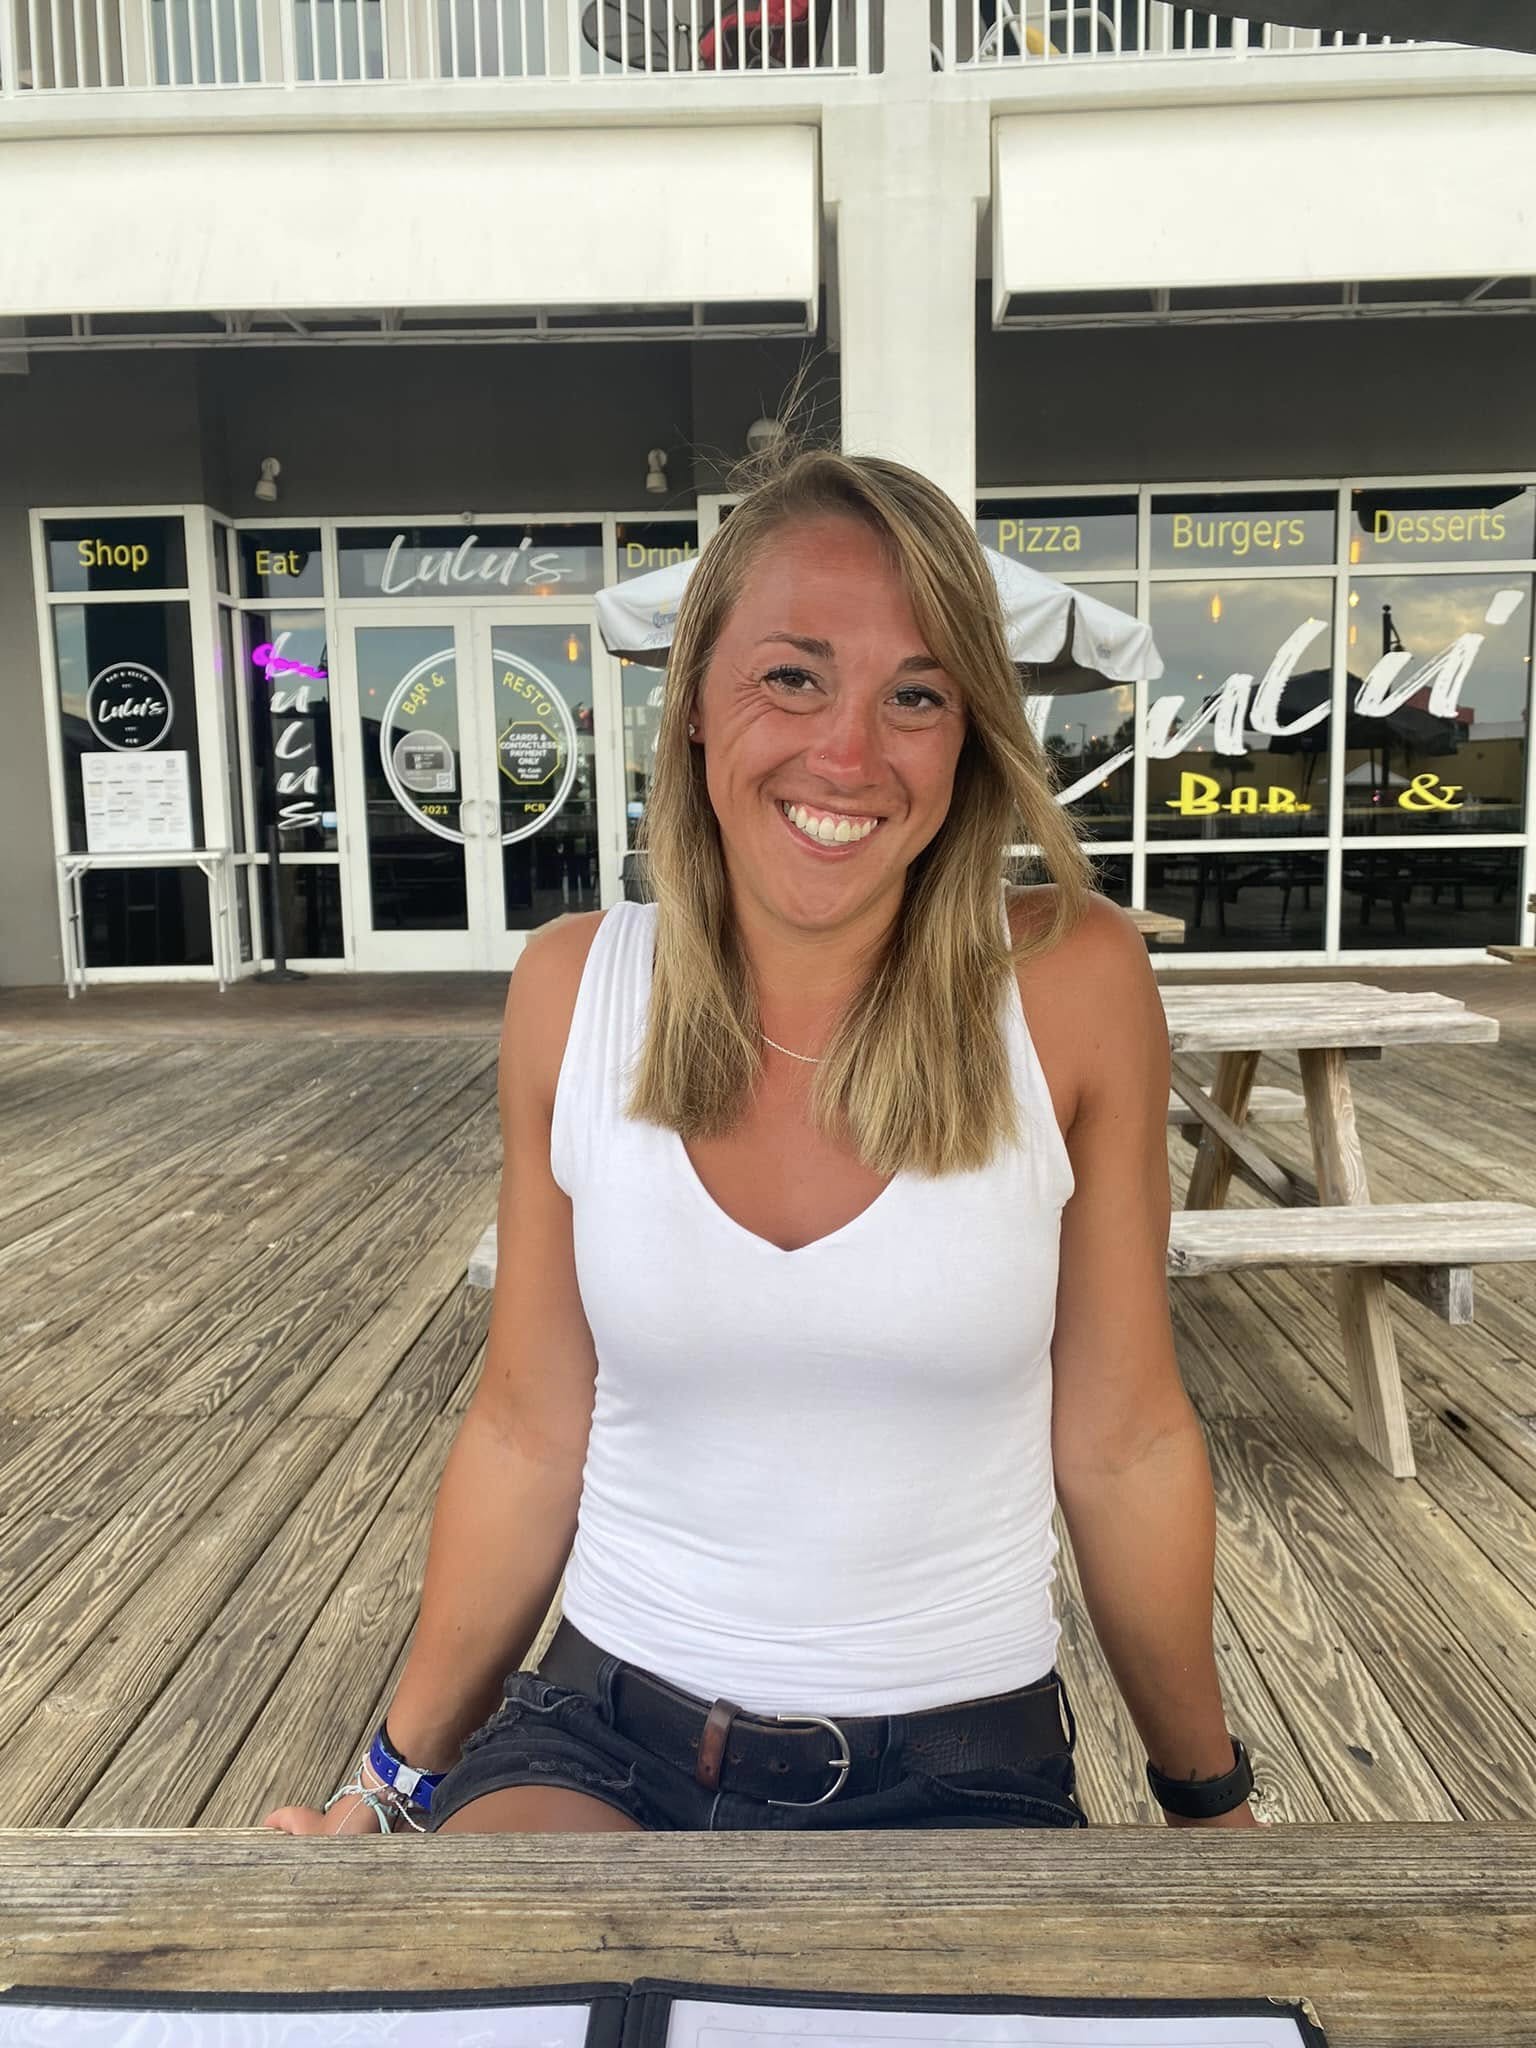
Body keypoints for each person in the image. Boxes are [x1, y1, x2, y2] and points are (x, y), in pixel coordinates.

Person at [266, 447, 1256, 1839]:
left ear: (969, 734)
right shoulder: (572, 989)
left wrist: (1208, 1804)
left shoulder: (1070, 984)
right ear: (692, 704)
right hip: (605, 1730)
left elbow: (1126, 1440)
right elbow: (526, 1431)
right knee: (475, 1958)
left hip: (957, 1760)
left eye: (917, 695)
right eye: (792, 676)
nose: (848, 753)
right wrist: (387, 1784)